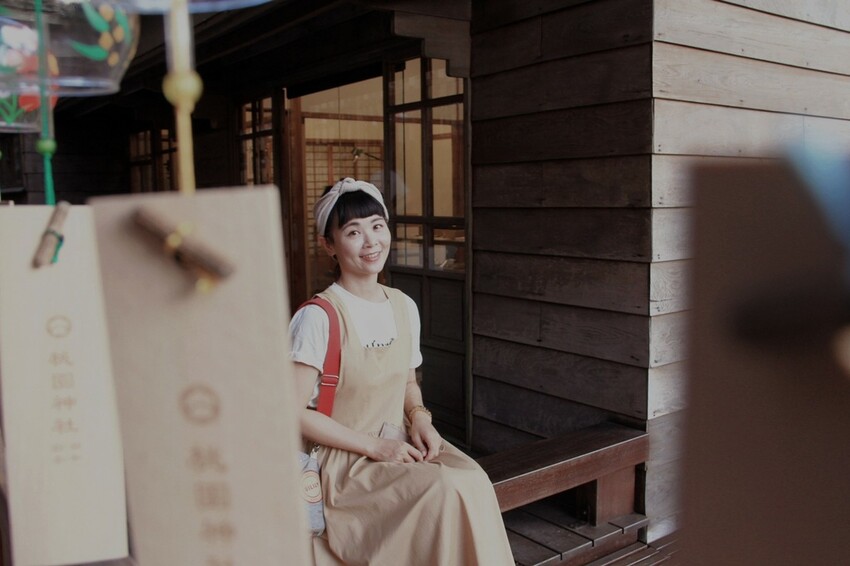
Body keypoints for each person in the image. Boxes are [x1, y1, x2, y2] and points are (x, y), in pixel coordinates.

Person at [289, 178, 514, 565]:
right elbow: (289, 413)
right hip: (345, 465)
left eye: (377, 226)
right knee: (443, 489)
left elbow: (409, 381)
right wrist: (376, 447)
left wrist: (421, 419)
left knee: (472, 479)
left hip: (399, 444)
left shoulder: (403, 306)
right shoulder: (318, 317)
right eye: (353, 232)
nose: (370, 241)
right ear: (329, 245)